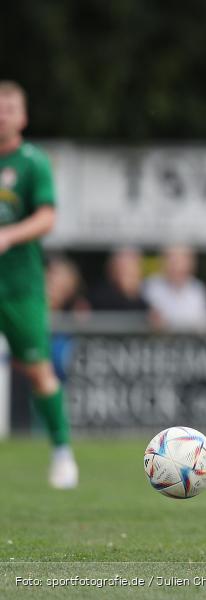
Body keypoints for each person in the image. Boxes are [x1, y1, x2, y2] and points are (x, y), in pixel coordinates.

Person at [0, 81, 77, 488]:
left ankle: (62, 453)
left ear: (22, 117)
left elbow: (47, 217)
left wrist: (9, 235)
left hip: (19, 286)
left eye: (9, 108)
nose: (2, 114)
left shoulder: (32, 163)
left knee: (38, 371)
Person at [143, 245, 206, 330]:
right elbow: (155, 321)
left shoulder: (198, 288)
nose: (178, 265)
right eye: (173, 260)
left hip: (193, 342)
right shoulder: (152, 286)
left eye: (182, 260)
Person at [88, 247, 152, 312]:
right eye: (121, 269)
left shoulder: (150, 293)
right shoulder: (100, 297)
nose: (125, 272)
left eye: (129, 272)